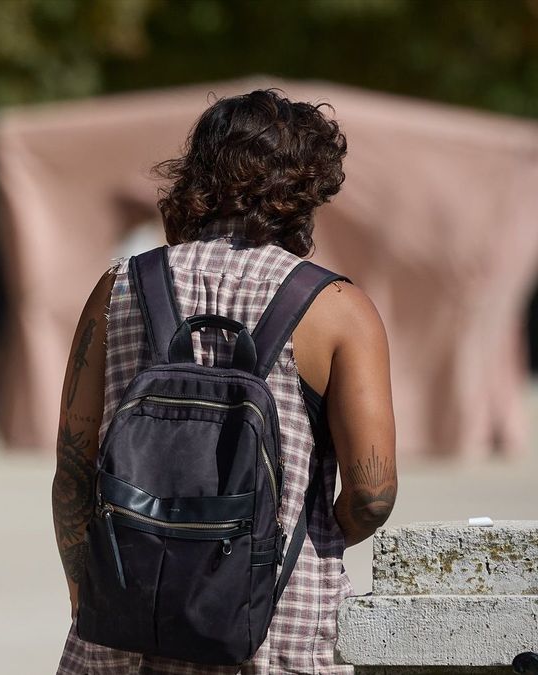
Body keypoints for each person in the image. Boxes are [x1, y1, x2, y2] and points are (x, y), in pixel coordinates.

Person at [52, 89, 397, 674]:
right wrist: (299, 535)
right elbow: (372, 495)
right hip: (276, 630)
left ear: (197, 173)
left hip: (129, 627)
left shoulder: (118, 288)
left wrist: (89, 592)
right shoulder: (337, 307)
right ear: (308, 188)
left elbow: (74, 471)